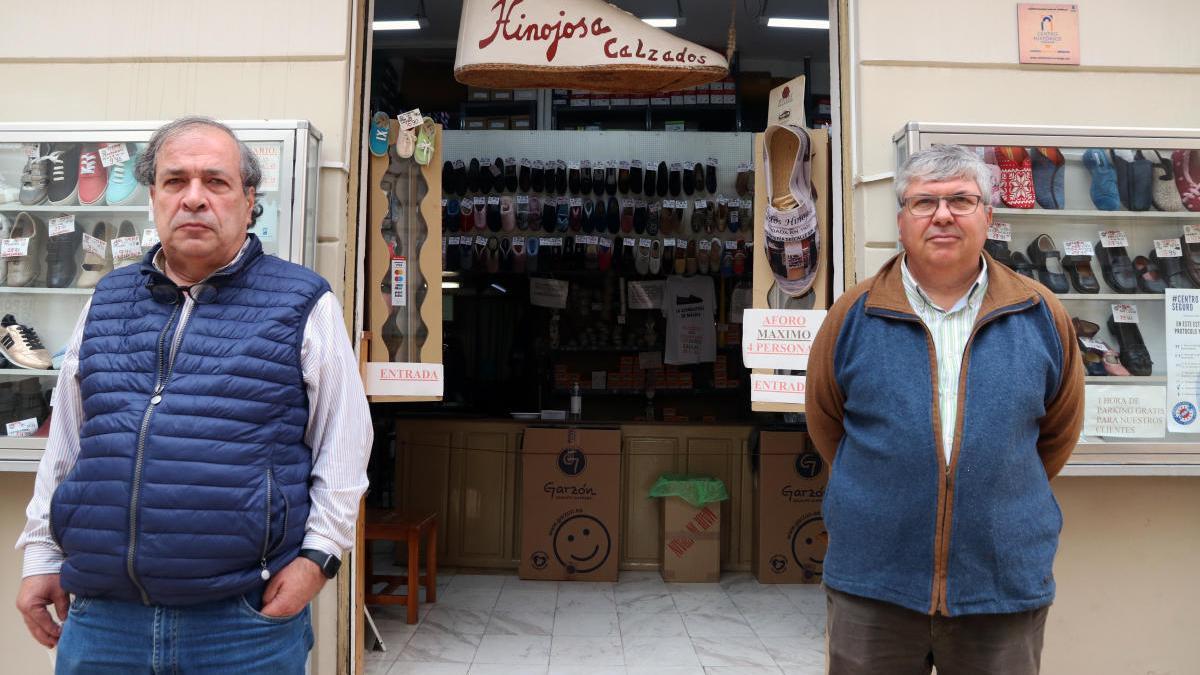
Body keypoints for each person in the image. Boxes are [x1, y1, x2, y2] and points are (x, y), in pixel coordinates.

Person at [14, 116, 372, 673]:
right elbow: (68, 442)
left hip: (242, 625)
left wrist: (318, 559)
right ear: (153, 195)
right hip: (105, 623)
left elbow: (345, 441)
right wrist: (40, 554)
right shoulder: (107, 300)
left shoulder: (301, 301)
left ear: (249, 198)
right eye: (176, 181)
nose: (195, 199)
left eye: (217, 182)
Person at [806, 144, 1084, 674]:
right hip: (875, 583)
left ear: (988, 215)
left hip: (999, 585)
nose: (942, 215)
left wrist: (990, 485)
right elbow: (827, 424)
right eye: (923, 202)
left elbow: (1056, 433)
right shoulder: (854, 316)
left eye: (961, 200)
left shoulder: (1040, 314)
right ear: (901, 219)